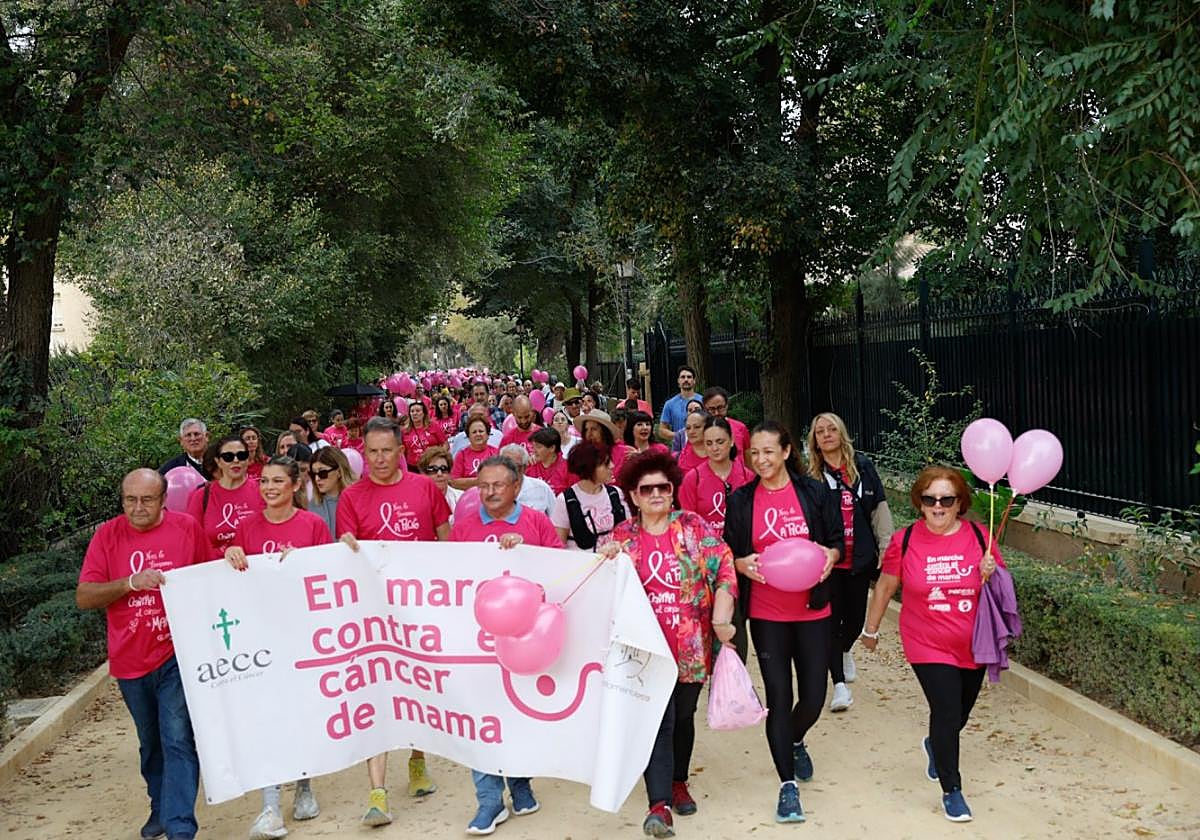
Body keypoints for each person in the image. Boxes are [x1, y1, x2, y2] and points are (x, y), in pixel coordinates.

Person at [598, 451, 736, 837]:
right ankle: (658, 804)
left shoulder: (692, 527)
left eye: (663, 486)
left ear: (673, 490)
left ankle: (678, 780)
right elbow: (599, 586)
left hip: (691, 645)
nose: (656, 493)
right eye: (647, 489)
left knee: (683, 717)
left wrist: (722, 615)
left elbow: (724, 566)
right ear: (634, 495)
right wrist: (604, 560)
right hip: (643, 650)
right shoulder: (621, 537)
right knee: (658, 721)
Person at [860, 466, 1000, 823]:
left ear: (959, 504)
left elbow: (999, 590)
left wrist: (991, 571)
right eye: (929, 499)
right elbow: (886, 587)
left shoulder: (979, 535)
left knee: (960, 713)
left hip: (973, 641)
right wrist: (871, 629)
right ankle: (952, 790)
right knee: (947, 710)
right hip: (927, 642)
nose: (938, 506)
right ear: (920, 503)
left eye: (946, 500)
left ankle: (935, 745)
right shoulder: (905, 541)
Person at [76, 469, 207, 840]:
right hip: (130, 658)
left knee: (178, 737)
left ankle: (180, 825)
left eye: (147, 499)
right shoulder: (107, 535)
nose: (137, 507)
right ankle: (159, 804)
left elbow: (209, 576)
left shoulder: (186, 529)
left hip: (176, 653)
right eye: (129, 499)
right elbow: (84, 596)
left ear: (164, 499)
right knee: (150, 742)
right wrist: (130, 583)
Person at [723, 421, 841, 823]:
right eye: (754, 453)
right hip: (767, 613)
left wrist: (831, 556)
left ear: (787, 452)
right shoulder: (741, 500)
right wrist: (740, 563)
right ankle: (786, 786)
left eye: (769, 451)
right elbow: (728, 552)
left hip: (813, 610)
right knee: (778, 697)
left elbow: (837, 541)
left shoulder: (813, 491)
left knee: (812, 697)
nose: (761, 460)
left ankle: (793, 740)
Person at [335, 417, 451, 826]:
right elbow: (345, 555)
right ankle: (377, 793)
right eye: (372, 452)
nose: (380, 459)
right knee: (375, 695)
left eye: (387, 450)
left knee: (416, 688)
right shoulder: (351, 496)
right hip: (372, 614)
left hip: (419, 609)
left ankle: (418, 760)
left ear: (402, 451)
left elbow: (446, 543)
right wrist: (346, 548)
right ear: (363, 454)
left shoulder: (424, 488)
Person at [224, 456, 331, 839]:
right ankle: (270, 804)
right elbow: (233, 578)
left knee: (300, 715)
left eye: (277, 482)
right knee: (265, 717)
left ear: (294, 485)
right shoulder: (246, 527)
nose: (269, 488)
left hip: (302, 635)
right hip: (260, 636)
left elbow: (329, 577)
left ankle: (303, 786)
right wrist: (230, 555)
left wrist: (303, 564)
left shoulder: (313, 525)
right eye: (264, 481)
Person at [806, 412, 894, 713]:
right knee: (831, 621)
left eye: (832, 429)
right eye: (820, 432)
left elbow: (879, 509)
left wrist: (886, 547)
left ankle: (844, 650)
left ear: (841, 433)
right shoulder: (811, 476)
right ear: (814, 440)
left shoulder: (863, 467)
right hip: (827, 562)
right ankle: (839, 685)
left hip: (859, 558)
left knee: (855, 620)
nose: (827, 435)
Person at [185, 436, 265, 560]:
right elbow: (192, 542)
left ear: (248, 458)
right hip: (216, 571)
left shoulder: (263, 491)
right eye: (228, 457)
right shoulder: (201, 496)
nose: (236, 460)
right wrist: (224, 552)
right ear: (218, 461)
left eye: (241, 455)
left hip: (256, 568)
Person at [678, 416, 753, 539]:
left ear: (732, 440)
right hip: (707, 552)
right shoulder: (692, 479)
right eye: (709, 443)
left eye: (720, 442)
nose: (714, 448)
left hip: (743, 549)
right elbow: (687, 525)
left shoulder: (748, 477)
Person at [551, 442, 628, 550]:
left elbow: (628, 534)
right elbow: (558, 544)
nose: (612, 466)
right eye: (605, 463)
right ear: (589, 468)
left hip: (612, 563)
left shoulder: (615, 494)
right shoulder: (566, 500)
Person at [308, 446, 356, 539]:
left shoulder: (357, 502)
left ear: (339, 472)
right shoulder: (311, 506)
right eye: (313, 474)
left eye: (322, 473)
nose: (317, 478)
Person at [498, 443, 555, 516]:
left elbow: (555, 520)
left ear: (524, 468)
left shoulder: (541, 488)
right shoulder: (491, 489)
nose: (509, 470)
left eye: (515, 466)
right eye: (505, 465)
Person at [574, 410, 631, 477]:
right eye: (586, 429)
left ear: (605, 431)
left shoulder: (624, 452)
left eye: (594, 429)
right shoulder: (580, 454)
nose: (589, 434)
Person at [701, 387, 750, 463]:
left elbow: (748, 460)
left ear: (727, 405)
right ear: (705, 409)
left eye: (720, 408)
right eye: (712, 409)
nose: (716, 413)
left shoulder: (740, 428)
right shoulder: (700, 430)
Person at [452, 415, 501, 490]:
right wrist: (480, 480)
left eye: (481, 431)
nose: (478, 434)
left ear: (488, 435)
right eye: (474, 432)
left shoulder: (496, 453)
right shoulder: (461, 455)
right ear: (468, 437)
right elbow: (454, 482)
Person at [418, 446, 462, 520]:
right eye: (433, 469)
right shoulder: (416, 501)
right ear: (423, 473)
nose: (439, 473)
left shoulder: (460, 498)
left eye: (444, 469)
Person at [657, 365, 699, 441]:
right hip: (679, 449)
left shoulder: (703, 401)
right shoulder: (670, 404)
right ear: (678, 381)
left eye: (689, 377)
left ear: (694, 381)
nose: (686, 380)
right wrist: (680, 436)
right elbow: (662, 430)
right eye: (683, 377)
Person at [403, 400, 447, 468]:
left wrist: (439, 456)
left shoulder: (433, 426)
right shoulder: (405, 431)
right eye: (412, 411)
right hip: (413, 467)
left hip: (432, 464)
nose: (414, 413)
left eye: (418, 411)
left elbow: (445, 444)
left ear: (424, 413)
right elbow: (403, 452)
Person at [527, 428, 571, 495]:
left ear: (552, 448)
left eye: (538, 447)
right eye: (533, 447)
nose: (534, 451)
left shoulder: (568, 469)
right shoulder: (530, 465)